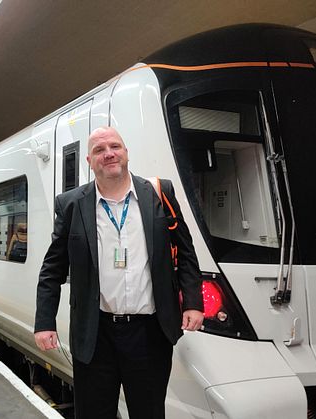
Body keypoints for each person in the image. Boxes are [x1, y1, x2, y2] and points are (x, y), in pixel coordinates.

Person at [34, 126, 204, 418]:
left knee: (148, 412)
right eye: (99, 150)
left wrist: (192, 302)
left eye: (115, 147)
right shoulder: (71, 204)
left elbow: (186, 253)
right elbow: (53, 267)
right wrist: (44, 321)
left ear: (126, 153)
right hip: (95, 333)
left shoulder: (159, 194)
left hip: (149, 332)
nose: (109, 154)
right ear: (89, 161)